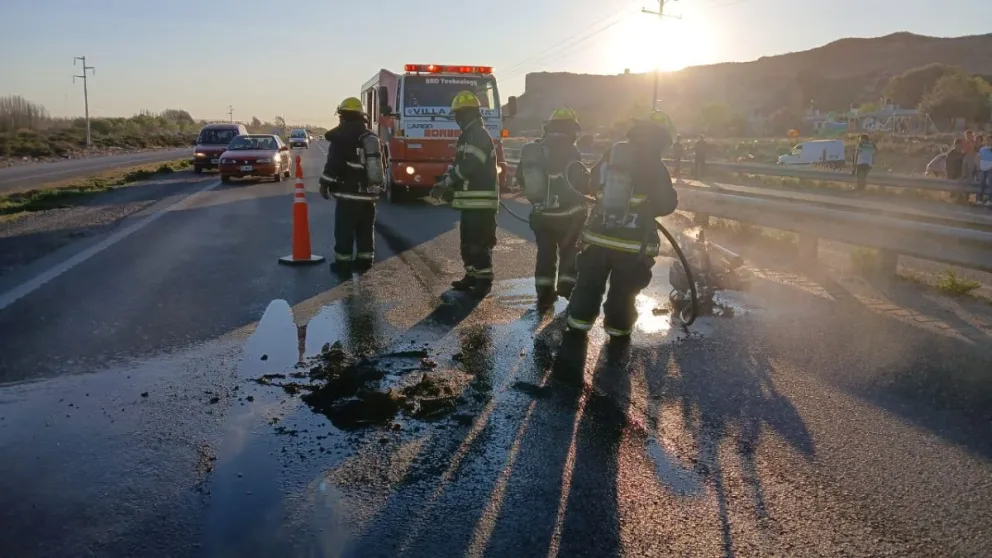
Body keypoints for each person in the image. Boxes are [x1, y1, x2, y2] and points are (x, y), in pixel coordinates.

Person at [564, 110, 679, 341]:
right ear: (663, 138)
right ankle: (618, 334)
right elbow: (667, 204)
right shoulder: (656, 165)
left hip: (598, 237)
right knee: (624, 293)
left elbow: (591, 183)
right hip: (633, 245)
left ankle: (577, 327)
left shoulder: (613, 155)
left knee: (588, 286)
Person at [515, 107, 592, 308]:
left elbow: (520, 177)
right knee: (569, 251)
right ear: (571, 128)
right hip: (569, 215)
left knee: (545, 252)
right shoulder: (571, 149)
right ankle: (566, 289)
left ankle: (544, 292)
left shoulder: (537, 149)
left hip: (542, 215)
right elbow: (579, 181)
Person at [431, 91, 500, 297]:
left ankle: (484, 281)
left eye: (458, 115)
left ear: (467, 114)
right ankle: (471, 276)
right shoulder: (469, 134)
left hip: (481, 203)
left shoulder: (478, 134)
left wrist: (447, 183)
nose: (457, 120)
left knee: (480, 243)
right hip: (470, 203)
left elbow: (469, 166)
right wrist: (448, 183)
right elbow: (461, 165)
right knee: (468, 243)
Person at [319, 97, 381, 275]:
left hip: (348, 194)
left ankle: (343, 264)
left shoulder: (340, 137)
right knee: (365, 229)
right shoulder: (370, 137)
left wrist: (325, 183)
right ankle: (365, 260)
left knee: (344, 229)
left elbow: (334, 165)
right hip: (369, 195)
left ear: (343, 116)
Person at [978, 136, 992, 206]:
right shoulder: (982, 149)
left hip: (991, 169)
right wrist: (979, 167)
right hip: (982, 168)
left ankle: (990, 200)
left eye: (990, 140)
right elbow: (979, 158)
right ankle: (980, 199)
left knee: (990, 184)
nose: (989, 141)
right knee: (981, 184)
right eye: (988, 140)